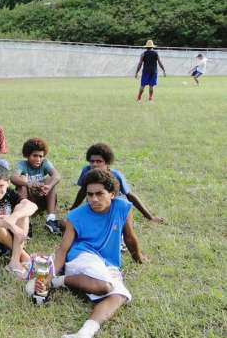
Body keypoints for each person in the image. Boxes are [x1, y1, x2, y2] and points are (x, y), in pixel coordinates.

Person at [33, 169, 146, 338]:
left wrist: (138, 258)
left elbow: (129, 237)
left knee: (119, 295)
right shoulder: (75, 216)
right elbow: (63, 250)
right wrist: (50, 275)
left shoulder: (123, 207)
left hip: (109, 263)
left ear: (112, 194)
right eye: (90, 194)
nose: (93, 199)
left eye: (99, 194)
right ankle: (58, 281)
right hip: (83, 256)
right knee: (104, 286)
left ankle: (84, 333)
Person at [70, 143, 163, 223]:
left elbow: (130, 196)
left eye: (99, 161)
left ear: (107, 163)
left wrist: (150, 217)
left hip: (113, 208)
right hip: (95, 206)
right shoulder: (86, 171)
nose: (94, 164)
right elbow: (82, 191)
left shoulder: (116, 175)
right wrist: (72, 209)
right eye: (92, 161)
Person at [11, 138, 63, 235]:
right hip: (28, 201)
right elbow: (13, 177)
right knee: (21, 183)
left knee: (49, 180)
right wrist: (28, 183)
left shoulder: (45, 163)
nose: (38, 159)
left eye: (40, 156)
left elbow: (57, 175)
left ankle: (50, 219)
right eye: (35, 156)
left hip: (42, 199)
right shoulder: (22, 165)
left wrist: (49, 186)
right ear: (27, 155)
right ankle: (24, 218)